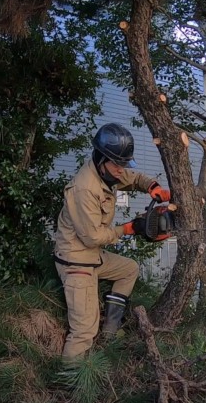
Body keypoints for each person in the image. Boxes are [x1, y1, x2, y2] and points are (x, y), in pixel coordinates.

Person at [53, 123, 171, 361]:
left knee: (129, 269)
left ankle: (109, 332)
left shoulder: (110, 172)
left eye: (124, 164)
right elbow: (92, 237)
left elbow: (133, 177)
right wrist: (128, 229)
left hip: (93, 256)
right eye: (118, 165)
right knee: (84, 330)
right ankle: (71, 384)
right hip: (77, 261)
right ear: (101, 159)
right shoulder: (84, 189)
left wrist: (152, 186)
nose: (121, 170)